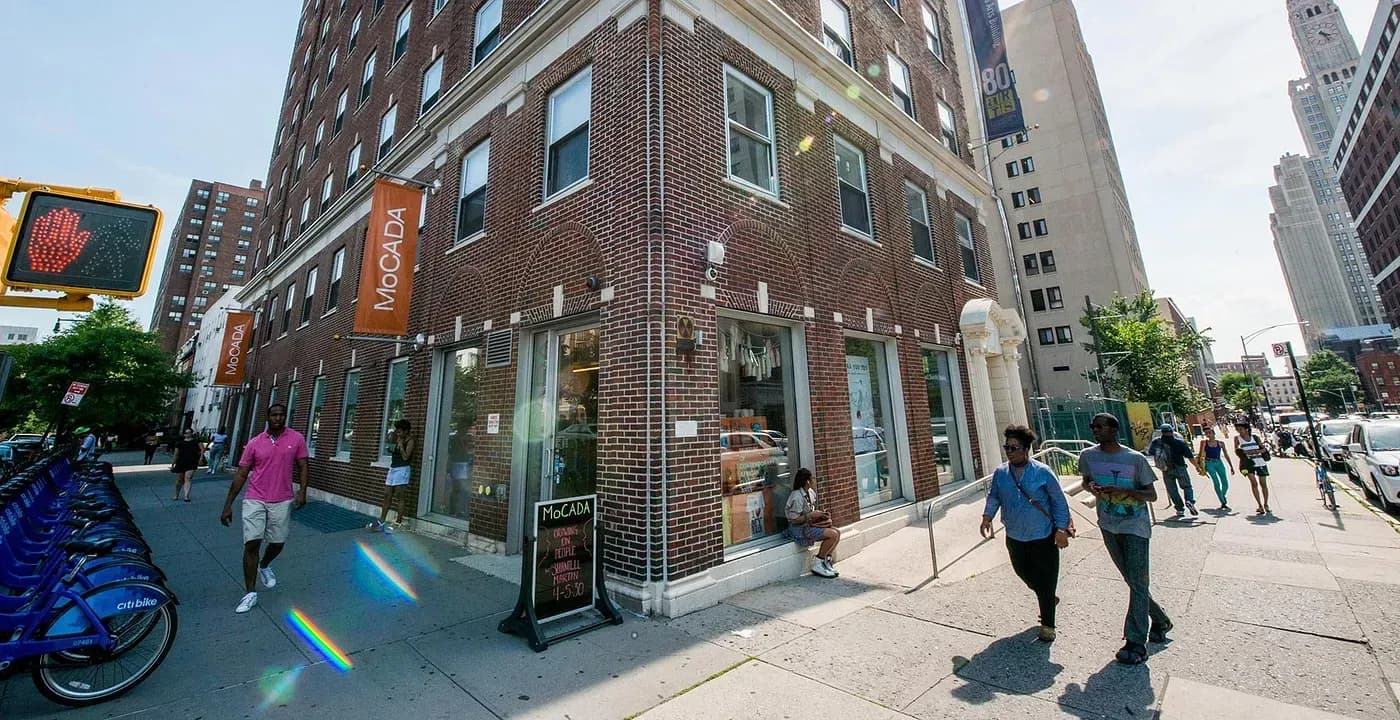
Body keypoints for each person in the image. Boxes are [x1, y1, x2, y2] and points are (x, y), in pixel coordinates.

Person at [1080, 412, 1173, 665]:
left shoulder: (1134, 459)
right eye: (1093, 426)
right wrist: (1093, 489)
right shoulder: (1088, 456)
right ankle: (1161, 620)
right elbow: (1086, 482)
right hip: (1108, 524)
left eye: (1099, 426)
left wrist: (1124, 490)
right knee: (1132, 580)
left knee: (1138, 582)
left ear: (1114, 430)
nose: (1095, 430)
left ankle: (1135, 642)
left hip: (1135, 526)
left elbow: (1151, 495)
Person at [980, 425, 1072, 642]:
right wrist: (987, 516)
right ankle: (1046, 596)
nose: (1009, 452)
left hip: (1043, 534)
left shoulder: (1042, 472)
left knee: (1047, 578)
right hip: (1015, 534)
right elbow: (994, 496)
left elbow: (1059, 501)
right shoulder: (1001, 473)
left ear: (1026, 449)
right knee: (1022, 571)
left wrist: (1061, 529)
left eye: (1014, 448)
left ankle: (1048, 624)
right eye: (1007, 448)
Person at [220, 403, 309, 614]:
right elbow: (242, 473)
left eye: (282, 415)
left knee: (277, 542)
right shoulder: (255, 443)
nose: (278, 418)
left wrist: (302, 491)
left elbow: (303, 465)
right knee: (252, 543)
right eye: (274, 415)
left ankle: (265, 564)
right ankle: (250, 593)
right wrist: (228, 505)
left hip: (282, 498)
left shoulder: (296, 439)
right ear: (267, 417)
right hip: (255, 498)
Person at [783, 468, 840, 578]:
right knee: (832, 535)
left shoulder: (811, 493)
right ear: (808, 481)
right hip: (799, 529)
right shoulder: (797, 496)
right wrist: (810, 516)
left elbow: (811, 510)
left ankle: (826, 561)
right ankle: (818, 562)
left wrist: (820, 515)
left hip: (809, 525)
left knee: (837, 532)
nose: (814, 480)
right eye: (812, 478)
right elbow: (793, 520)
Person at [369, 418, 414, 533]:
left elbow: (406, 457)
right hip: (393, 468)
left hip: (402, 469)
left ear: (406, 431)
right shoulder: (398, 438)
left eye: (400, 431)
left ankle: (398, 522)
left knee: (399, 495)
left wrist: (401, 446)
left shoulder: (410, 441)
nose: (397, 433)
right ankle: (382, 520)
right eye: (397, 431)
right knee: (387, 494)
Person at [1146, 424, 1197, 517]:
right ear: (1172, 431)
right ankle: (1189, 501)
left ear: (1162, 432)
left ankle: (1179, 509)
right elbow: (1190, 456)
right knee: (1187, 486)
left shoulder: (1156, 442)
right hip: (1180, 467)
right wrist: (1197, 467)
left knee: (1172, 490)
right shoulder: (1179, 442)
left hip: (1166, 469)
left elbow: (1150, 453)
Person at [1234, 421, 1272, 515]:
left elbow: (1264, 449)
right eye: (1237, 429)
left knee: (1263, 484)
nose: (1239, 431)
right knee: (1254, 483)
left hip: (1260, 462)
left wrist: (1256, 451)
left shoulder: (1255, 437)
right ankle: (1259, 505)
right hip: (1247, 463)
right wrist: (1245, 452)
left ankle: (1266, 504)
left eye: (1241, 429)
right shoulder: (1237, 438)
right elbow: (1237, 451)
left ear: (1246, 429)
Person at [1195, 426, 1235, 512]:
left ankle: (1222, 495)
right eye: (1206, 433)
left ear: (1214, 433)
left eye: (1210, 432)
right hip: (1209, 463)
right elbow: (1200, 454)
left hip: (1219, 462)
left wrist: (1231, 466)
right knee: (1216, 482)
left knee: (1225, 483)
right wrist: (1199, 466)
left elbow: (1226, 454)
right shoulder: (1204, 443)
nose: (1208, 434)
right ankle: (1223, 501)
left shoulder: (1220, 443)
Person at [171, 428, 204, 502]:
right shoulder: (179, 443)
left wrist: (201, 458)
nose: (187, 434)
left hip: (192, 462)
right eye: (186, 433)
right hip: (181, 462)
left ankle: (186, 496)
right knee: (179, 480)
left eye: (189, 432)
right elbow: (176, 454)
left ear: (191, 433)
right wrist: (173, 464)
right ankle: (176, 494)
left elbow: (202, 449)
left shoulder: (196, 441)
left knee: (188, 478)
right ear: (184, 434)